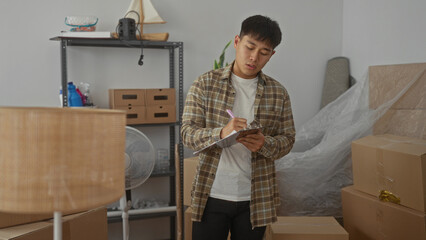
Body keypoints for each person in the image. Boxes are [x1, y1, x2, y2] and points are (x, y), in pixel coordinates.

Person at [181, 15, 296, 240]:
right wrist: (221, 133)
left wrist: (265, 143)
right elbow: (187, 133)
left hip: (255, 198)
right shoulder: (205, 83)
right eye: (249, 47)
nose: (254, 57)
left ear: (272, 55)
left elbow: (288, 139)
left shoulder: (278, 92)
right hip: (211, 194)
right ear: (237, 42)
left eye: (264, 52)